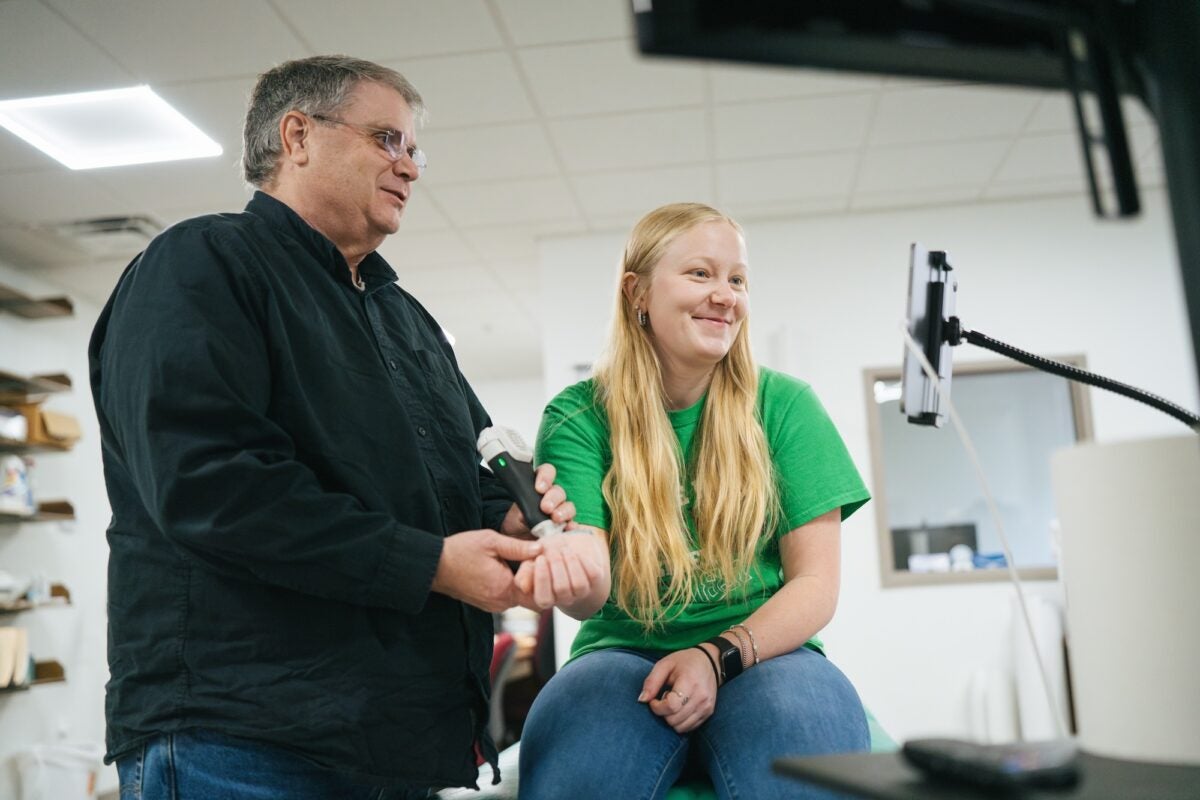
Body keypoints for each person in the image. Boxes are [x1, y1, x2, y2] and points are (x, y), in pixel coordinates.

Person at [88, 55, 604, 800]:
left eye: (415, 149)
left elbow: (461, 477)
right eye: (387, 139)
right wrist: (432, 564)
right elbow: (210, 486)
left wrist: (512, 523)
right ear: (297, 136)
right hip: (242, 739)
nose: (410, 167)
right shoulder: (203, 264)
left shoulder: (407, 321)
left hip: (392, 743)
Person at [518, 203, 873, 799]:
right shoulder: (578, 417)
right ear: (637, 293)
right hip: (621, 654)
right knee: (583, 764)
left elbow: (815, 584)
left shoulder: (786, 406)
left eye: (738, 279)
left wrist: (715, 656)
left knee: (804, 753)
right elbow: (588, 598)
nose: (725, 296)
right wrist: (567, 569)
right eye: (700, 273)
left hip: (765, 650)